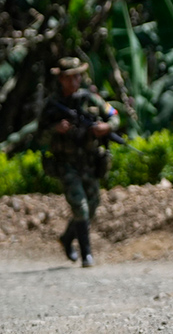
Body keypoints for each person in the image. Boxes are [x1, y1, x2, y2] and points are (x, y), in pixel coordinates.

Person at [39, 57, 119, 268]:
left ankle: (67, 238)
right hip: (66, 163)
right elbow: (38, 136)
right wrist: (55, 129)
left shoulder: (90, 99)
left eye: (77, 76)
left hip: (90, 162)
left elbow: (114, 115)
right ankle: (87, 254)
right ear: (62, 79)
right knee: (80, 207)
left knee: (93, 206)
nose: (75, 81)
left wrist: (106, 128)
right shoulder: (52, 105)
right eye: (70, 77)